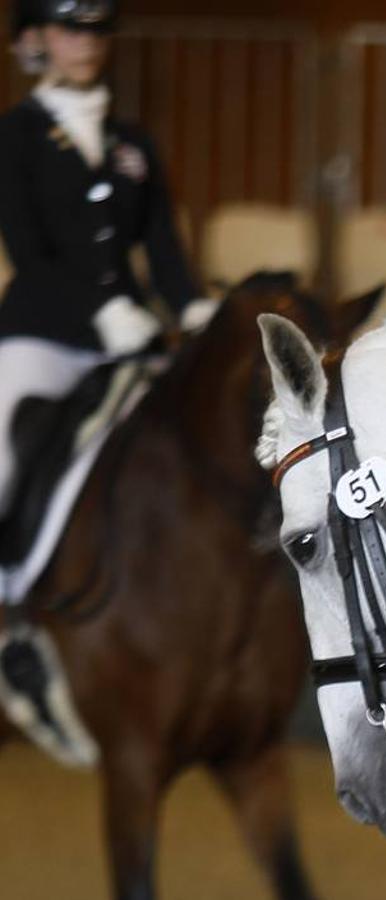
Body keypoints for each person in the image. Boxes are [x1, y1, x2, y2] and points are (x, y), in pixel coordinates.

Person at [0, 0, 216, 750]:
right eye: (68, 29)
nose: (83, 44)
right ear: (38, 41)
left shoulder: (133, 142)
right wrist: (101, 310)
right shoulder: (17, 133)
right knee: (5, 459)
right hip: (42, 335)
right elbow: (30, 248)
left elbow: (161, 244)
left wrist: (191, 312)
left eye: (93, 31)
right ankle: (14, 626)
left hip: (129, 339)